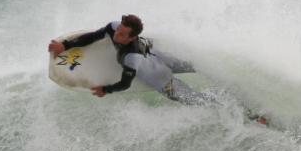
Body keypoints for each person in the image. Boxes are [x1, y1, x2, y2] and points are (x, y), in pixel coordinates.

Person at [48, 14, 214, 106]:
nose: (115, 35)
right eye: (118, 30)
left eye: (121, 34)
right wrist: (65, 46)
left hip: (160, 78)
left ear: (132, 37)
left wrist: (105, 90)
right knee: (197, 65)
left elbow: (125, 83)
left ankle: (218, 100)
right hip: (158, 56)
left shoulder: (130, 58)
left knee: (193, 99)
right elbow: (94, 36)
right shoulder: (114, 27)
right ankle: (214, 68)